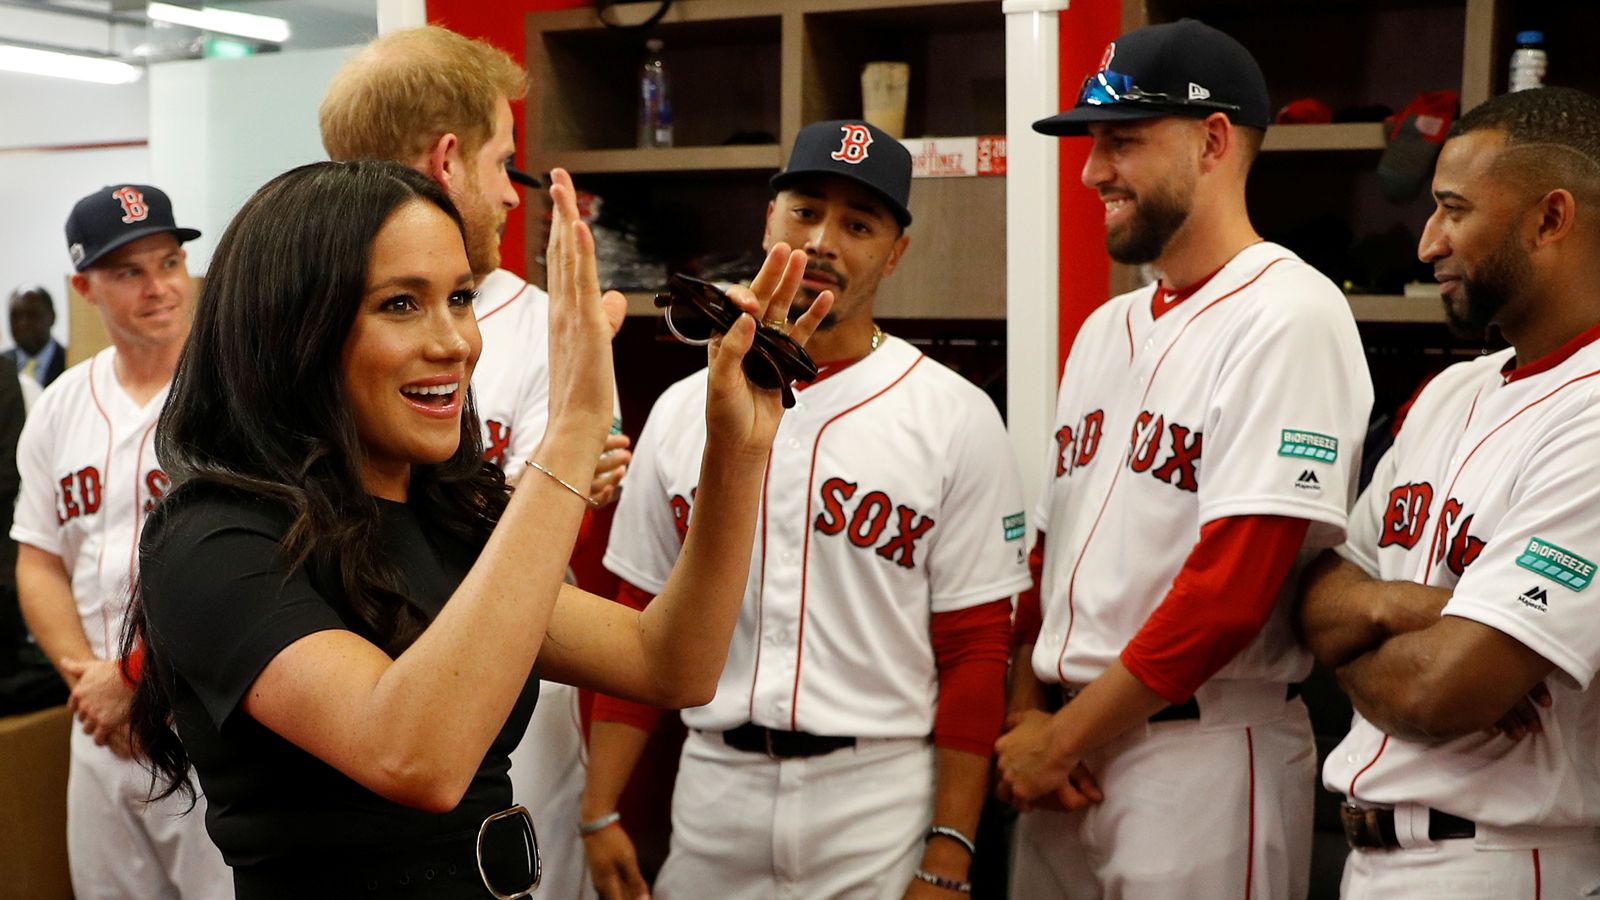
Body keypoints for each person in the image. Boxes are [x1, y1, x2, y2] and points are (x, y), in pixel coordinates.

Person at [121, 159, 828, 899]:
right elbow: (416, 755)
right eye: (401, 304)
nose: (454, 341)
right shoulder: (211, 538)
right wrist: (575, 427)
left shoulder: (446, 515)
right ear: (294, 326)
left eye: (460, 298)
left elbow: (670, 662)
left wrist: (737, 454)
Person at [582, 119, 1031, 899]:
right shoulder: (686, 409)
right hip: (716, 785)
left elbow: (975, 649)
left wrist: (951, 851)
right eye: (805, 210)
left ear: (895, 253)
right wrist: (598, 809)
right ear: (768, 221)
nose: (824, 240)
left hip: (877, 794)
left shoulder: (955, 415)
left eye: (858, 224)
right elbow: (636, 614)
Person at [1001, 19, 1373, 898]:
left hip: (1198, 758)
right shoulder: (1106, 327)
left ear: (1212, 141)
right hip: (1067, 751)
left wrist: (1058, 737)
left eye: (1122, 141)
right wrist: (1029, 714)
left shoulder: (1292, 315)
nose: (1093, 170)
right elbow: (1050, 560)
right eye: (1093, 142)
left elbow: (1229, 592)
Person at [318, 30, 630, 896]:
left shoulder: (541, 321)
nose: (508, 192)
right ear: (447, 159)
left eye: (457, 305)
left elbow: (657, 646)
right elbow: (535, 514)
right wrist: (566, 459)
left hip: (522, 693)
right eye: (502, 161)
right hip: (351, 712)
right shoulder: (298, 329)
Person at [1297, 86, 1600, 897]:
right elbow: (1313, 591)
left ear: (1550, 218)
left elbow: (1445, 690)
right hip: (1373, 855)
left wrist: (1363, 626)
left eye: (1453, 209)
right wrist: (1410, 611)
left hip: (1505, 860)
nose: (1427, 241)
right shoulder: (1450, 393)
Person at [11, 184, 230, 897]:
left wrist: (136, 684)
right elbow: (39, 560)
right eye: (128, 272)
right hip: (100, 733)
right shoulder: (59, 407)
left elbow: (244, 573)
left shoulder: (237, 395)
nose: (158, 287)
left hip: (210, 725)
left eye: (168, 262)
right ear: (85, 285)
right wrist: (90, 682)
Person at [5, 284, 66, 388]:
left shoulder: (71, 362)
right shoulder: (3, 365)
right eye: (15, 316)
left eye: (32, 315)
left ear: (52, 317)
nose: (22, 324)